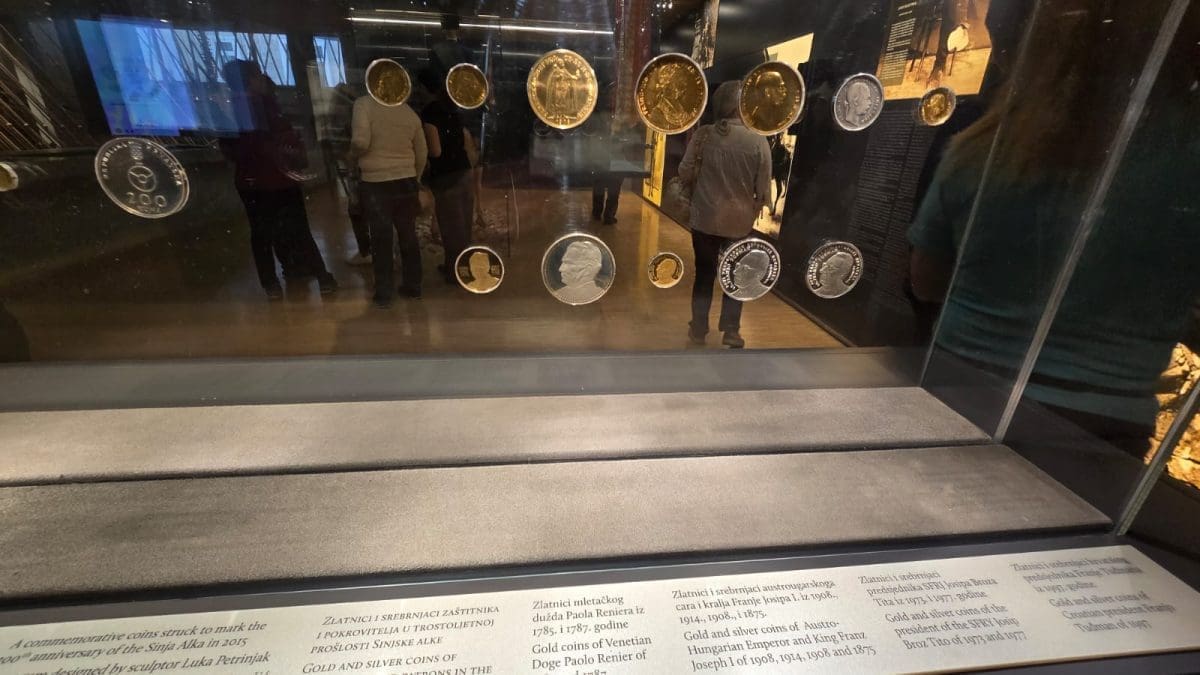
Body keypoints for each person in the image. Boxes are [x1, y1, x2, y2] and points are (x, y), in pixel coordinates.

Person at [220, 60, 337, 299]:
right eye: (258, 76)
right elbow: (282, 140)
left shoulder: (230, 110)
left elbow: (230, 150)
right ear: (251, 79)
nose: (262, 80)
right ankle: (322, 276)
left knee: (261, 232)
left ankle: (271, 283)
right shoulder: (265, 106)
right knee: (298, 228)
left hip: (250, 182)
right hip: (279, 179)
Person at [678, 81, 771, 349]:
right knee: (738, 275)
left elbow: (684, 171)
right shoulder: (758, 139)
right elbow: (763, 190)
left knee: (704, 275)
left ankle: (698, 329)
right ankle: (731, 330)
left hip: (705, 217)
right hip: (739, 221)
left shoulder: (704, 135)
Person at [351, 68, 428, 307]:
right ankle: (413, 286)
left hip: (375, 182)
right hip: (406, 179)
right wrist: (415, 177)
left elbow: (360, 142)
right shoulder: (409, 113)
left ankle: (384, 292)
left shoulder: (363, 105)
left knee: (381, 238)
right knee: (408, 235)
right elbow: (422, 152)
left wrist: (350, 156)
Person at [417, 68, 475, 285]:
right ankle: (463, 266)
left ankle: (455, 273)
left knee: (451, 228)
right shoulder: (453, 109)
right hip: (464, 171)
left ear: (424, 88)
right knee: (464, 225)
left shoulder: (430, 113)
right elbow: (466, 142)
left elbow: (435, 150)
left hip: (446, 176)